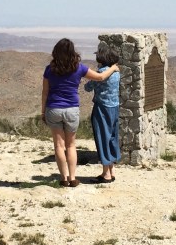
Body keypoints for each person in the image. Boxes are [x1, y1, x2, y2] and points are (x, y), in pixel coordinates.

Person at [42, 38, 119, 187]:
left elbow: (45, 92)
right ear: (73, 52)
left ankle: (63, 178)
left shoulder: (49, 69)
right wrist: (113, 68)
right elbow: (101, 77)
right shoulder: (79, 68)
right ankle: (72, 178)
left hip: (53, 108)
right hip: (71, 109)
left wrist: (43, 111)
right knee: (71, 145)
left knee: (59, 146)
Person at [84, 44, 121, 183]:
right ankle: (111, 171)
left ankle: (105, 174)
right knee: (112, 137)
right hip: (115, 107)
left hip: (102, 108)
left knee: (103, 138)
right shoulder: (116, 71)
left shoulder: (102, 72)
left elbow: (88, 87)